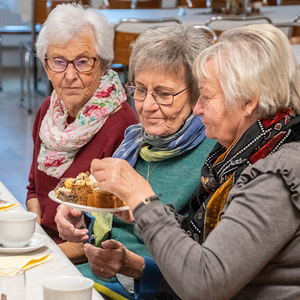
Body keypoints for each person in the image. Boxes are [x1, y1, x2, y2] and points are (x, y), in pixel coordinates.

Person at [88, 24, 300, 299]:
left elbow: (203, 283)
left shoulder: (275, 175)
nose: (197, 109)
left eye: (207, 97)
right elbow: (200, 258)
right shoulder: (238, 156)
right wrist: (140, 215)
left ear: (249, 102)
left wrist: (143, 200)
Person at [55, 24, 216, 299]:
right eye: (139, 90)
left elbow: (206, 271)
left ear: (196, 94)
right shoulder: (135, 142)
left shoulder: (212, 159)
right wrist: (80, 218)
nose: (147, 105)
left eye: (164, 94)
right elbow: (108, 226)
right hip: (95, 280)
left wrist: (137, 267)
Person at [26, 3, 138, 264]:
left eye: (83, 61)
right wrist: (35, 239)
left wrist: (43, 256)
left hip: (84, 259)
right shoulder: (47, 113)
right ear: (46, 67)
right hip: (46, 246)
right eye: (59, 62)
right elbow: (33, 191)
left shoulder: (121, 124)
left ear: (103, 64)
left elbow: (112, 234)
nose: (70, 75)